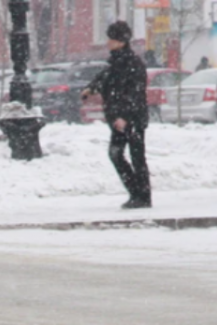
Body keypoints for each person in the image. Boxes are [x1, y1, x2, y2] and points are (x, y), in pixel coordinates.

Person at [83, 21, 152, 209]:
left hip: (132, 118)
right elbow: (106, 77)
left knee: (136, 157)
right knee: (116, 154)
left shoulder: (132, 63)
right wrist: (91, 88)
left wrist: (125, 117)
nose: (108, 42)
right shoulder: (116, 62)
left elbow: (135, 93)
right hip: (118, 118)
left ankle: (143, 196)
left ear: (121, 41)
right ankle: (137, 193)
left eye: (112, 39)